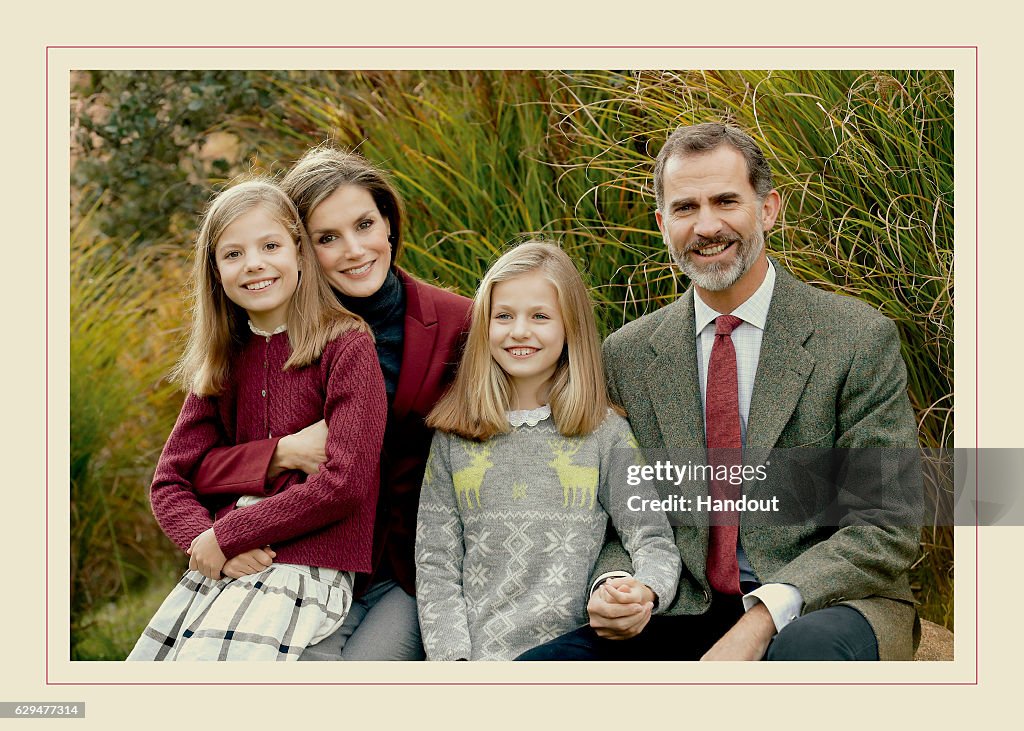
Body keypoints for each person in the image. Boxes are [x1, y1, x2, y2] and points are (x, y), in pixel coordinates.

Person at [518, 123, 921, 662]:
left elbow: (885, 522)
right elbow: (619, 509)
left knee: (803, 654)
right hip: (682, 602)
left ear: (768, 209)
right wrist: (614, 584)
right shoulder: (628, 355)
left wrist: (760, 621)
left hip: (827, 602)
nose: (706, 226)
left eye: (726, 201)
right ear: (663, 224)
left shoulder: (856, 338)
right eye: (685, 208)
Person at [186, 147, 472, 660]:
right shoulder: (264, 338)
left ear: (389, 224)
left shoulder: (461, 324)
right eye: (327, 238)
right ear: (300, 248)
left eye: (365, 224)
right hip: (295, 561)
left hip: (411, 569)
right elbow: (191, 467)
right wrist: (280, 453)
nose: (355, 250)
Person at [127, 179, 387, 661]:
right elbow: (169, 482)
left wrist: (227, 535)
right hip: (231, 567)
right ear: (215, 272)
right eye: (233, 254)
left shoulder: (346, 346)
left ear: (300, 253)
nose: (254, 263)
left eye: (270, 245)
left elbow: (345, 484)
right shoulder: (223, 360)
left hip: (308, 568)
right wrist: (211, 546)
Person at [415, 241, 681, 661]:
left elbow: (652, 538)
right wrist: (454, 665)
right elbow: (436, 567)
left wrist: (643, 590)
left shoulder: (605, 432)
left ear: (570, 327)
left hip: (574, 652)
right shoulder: (454, 437)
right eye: (503, 316)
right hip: (478, 660)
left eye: (539, 316)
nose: (519, 330)